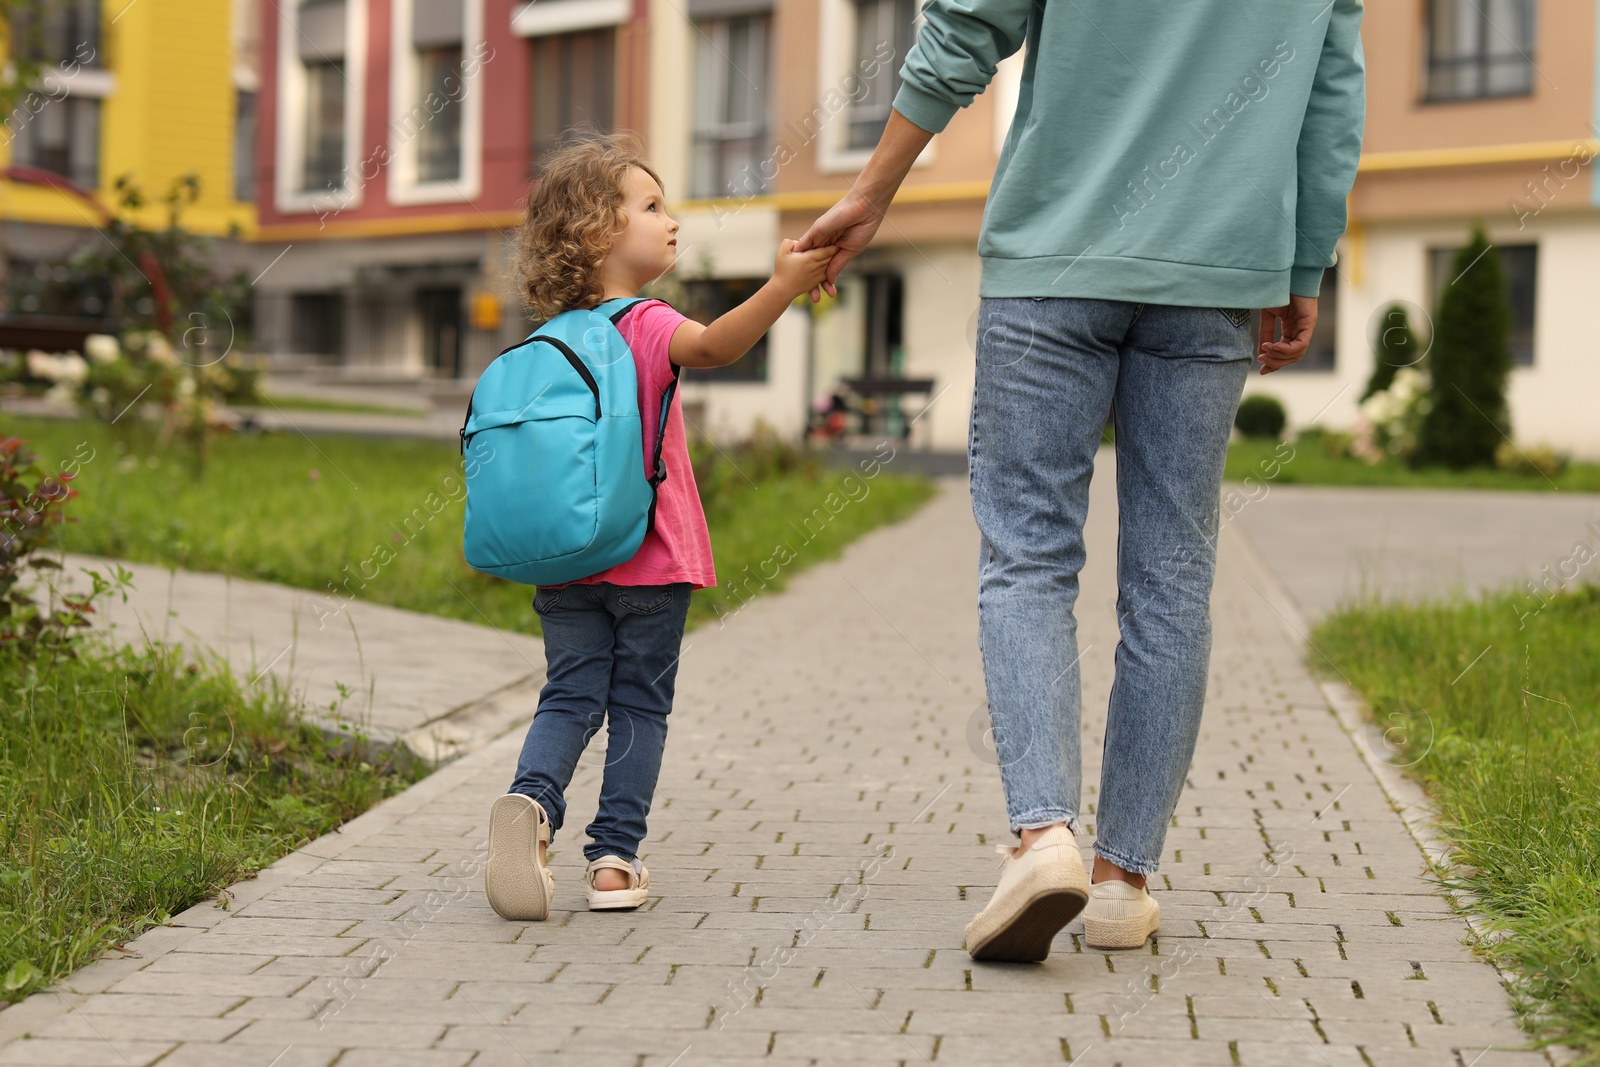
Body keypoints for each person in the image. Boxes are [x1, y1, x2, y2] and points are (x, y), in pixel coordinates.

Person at [797, 1, 1365, 960]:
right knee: (1172, 583)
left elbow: (968, 24)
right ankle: (1122, 882)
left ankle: (1042, 837)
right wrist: (1306, 260)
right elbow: (1331, 90)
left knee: (1027, 557)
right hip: (1218, 274)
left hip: (1054, 256)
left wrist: (873, 191)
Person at [484, 134, 836, 920]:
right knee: (640, 703)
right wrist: (781, 285)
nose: (671, 221)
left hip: (566, 557)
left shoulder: (553, 337)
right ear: (599, 234)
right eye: (651, 207)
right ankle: (614, 860)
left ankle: (532, 803)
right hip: (650, 561)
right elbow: (717, 344)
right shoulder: (642, 323)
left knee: (570, 693)